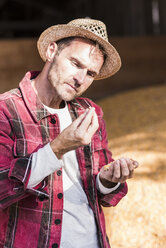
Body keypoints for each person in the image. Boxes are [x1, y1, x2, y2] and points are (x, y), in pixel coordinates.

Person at [0, 18, 139, 248]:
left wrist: (108, 180)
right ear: (51, 50)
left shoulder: (89, 112)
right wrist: (57, 149)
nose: (80, 79)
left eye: (90, 73)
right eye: (75, 63)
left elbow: (97, 190)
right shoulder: (6, 110)